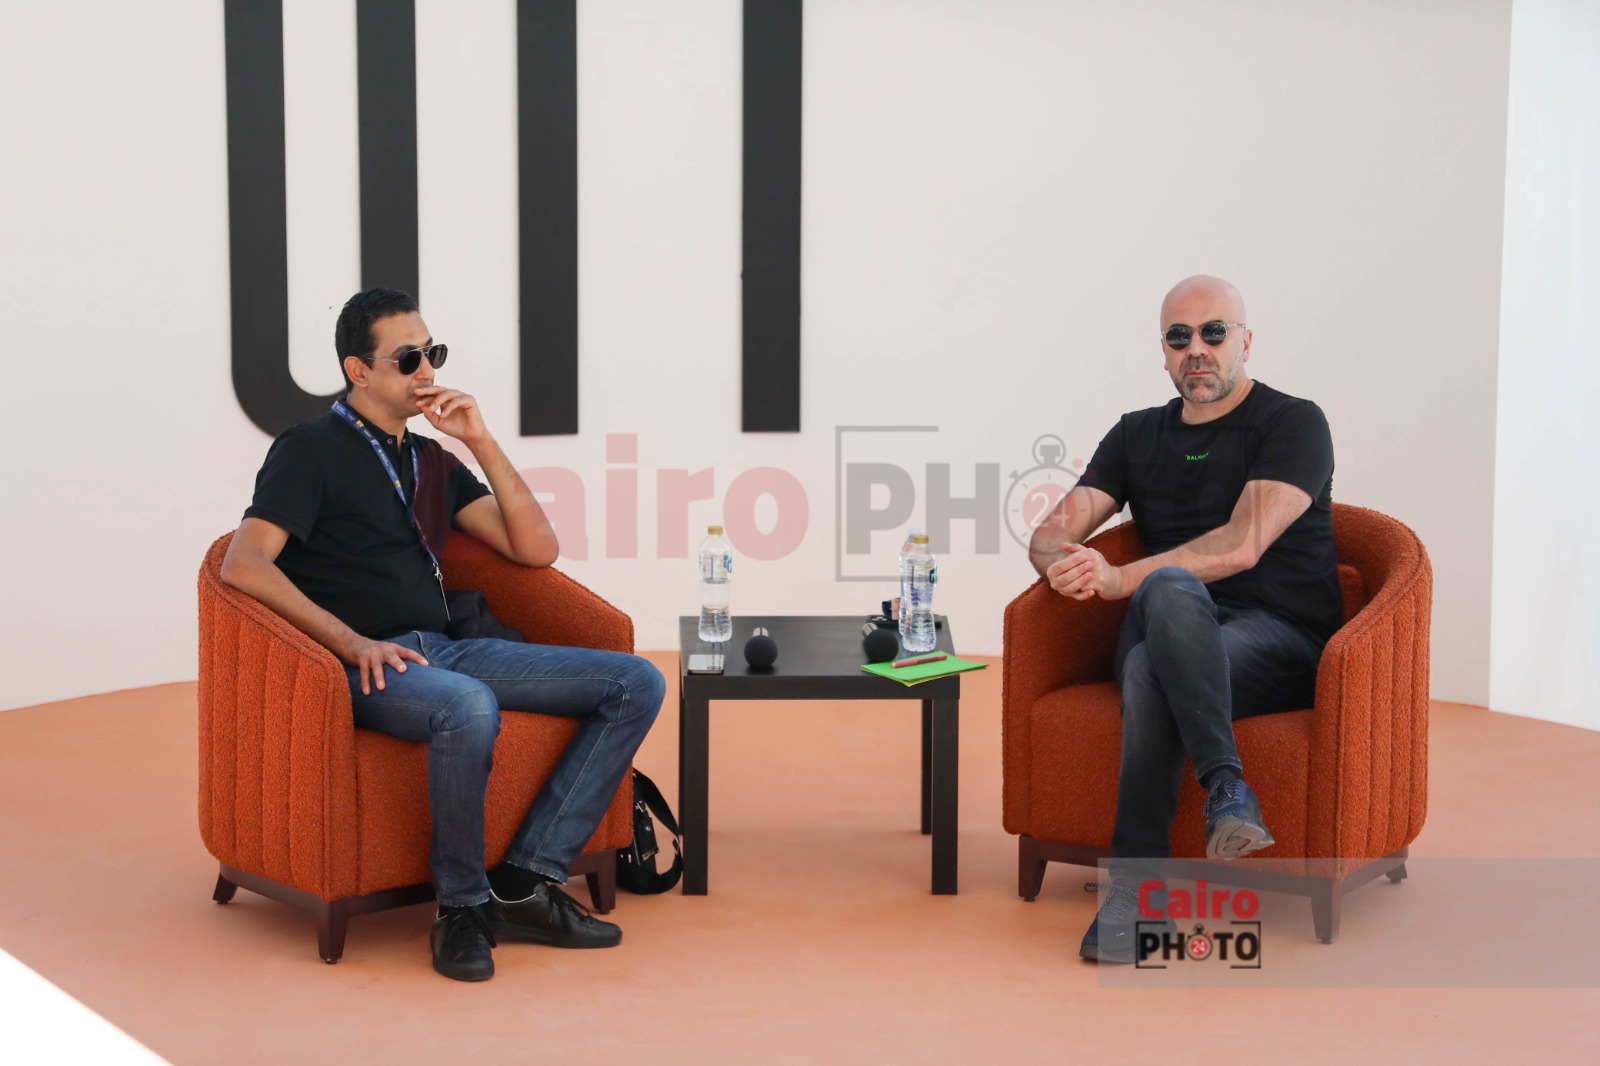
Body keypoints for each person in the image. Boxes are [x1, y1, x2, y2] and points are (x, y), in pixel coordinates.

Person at [221, 288, 665, 982]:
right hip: (361, 665)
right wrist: (350, 643)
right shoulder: (308, 450)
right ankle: (461, 908)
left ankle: (523, 883)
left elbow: (536, 549)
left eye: (433, 353)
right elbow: (242, 563)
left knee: (635, 681)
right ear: (358, 370)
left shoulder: (431, 461)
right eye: (407, 359)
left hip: (444, 647)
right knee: (466, 705)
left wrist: (479, 440)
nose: (426, 370)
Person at [1027, 275, 1340, 963]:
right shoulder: (1137, 434)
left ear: (1245, 343)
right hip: (1169, 621)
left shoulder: (1293, 422)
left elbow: (1242, 544)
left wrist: (1117, 578)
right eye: (1179, 336)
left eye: (1213, 333)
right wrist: (1062, 565)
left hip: (1277, 637)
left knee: (1149, 663)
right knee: (1167, 600)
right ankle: (1227, 790)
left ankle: (1136, 893)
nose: (1196, 349)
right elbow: (1050, 533)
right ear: (1164, 351)